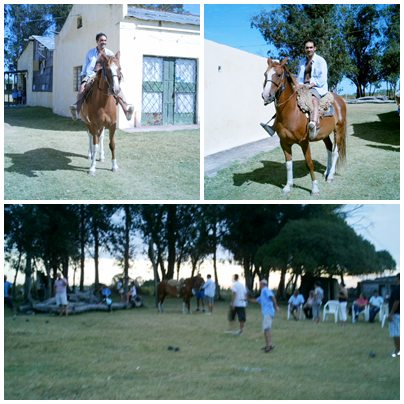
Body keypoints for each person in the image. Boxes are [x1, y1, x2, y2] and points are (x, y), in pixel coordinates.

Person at [69, 32, 134, 121]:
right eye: (101, 40)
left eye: (105, 40)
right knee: (82, 87)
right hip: (92, 74)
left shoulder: (109, 53)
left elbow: (114, 65)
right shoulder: (90, 53)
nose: (103, 42)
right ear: (97, 41)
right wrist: (85, 76)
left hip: (105, 75)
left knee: (117, 88)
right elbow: (86, 65)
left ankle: (126, 110)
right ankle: (77, 109)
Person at [297, 39, 328, 140]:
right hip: (304, 87)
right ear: (304, 49)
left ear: (315, 48)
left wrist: (311, 85)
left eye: (311, 47)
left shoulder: (320, 61)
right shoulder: (302, 62)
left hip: (317, 87)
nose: (309, 49)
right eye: (307, 48)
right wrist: (298, 85)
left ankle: (313, 124)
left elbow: (323, 78)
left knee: (314, 98)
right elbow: (300, 77)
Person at [252, 279, 279, 353]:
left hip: (268, 312)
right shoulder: (262, 292)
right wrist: (246, 299)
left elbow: (272, 297)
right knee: (266, 329)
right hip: (267, 312)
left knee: (266, 329)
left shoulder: (265, 290)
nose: (259, 285)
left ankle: (269, 346)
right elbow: (257, 300)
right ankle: (268, 345)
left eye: (260, 284)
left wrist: (275, 306)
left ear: (263, 284)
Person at [388, 274, 400, 357]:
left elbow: (396, 302)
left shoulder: (397, 289)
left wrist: (391, 313)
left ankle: (398, 350)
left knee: (396, 333)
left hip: (397, 314)